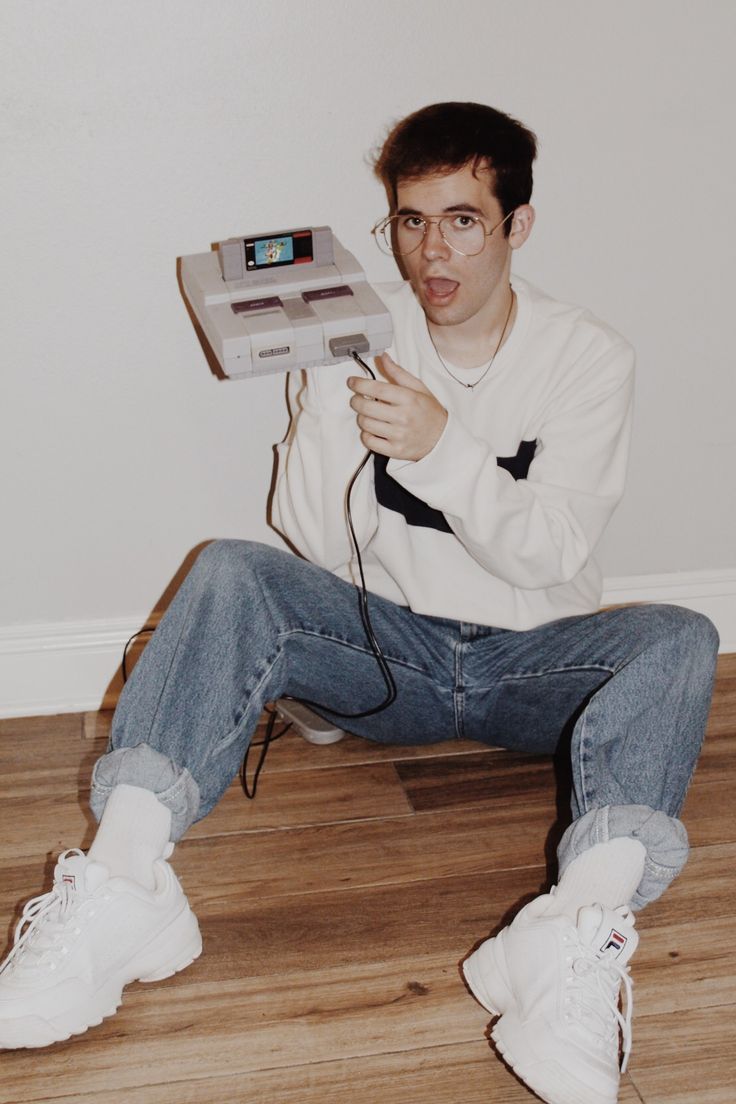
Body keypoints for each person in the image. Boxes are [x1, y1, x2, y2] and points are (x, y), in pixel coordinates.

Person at [0, 102, 719, 1104]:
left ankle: (566, 944)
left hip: (533, 664)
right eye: (410, 221)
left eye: (462, 220)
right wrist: (319, 392)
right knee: (230, 569)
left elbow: (550, 551)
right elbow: (313, 538)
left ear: (516, 225)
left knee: (682, 636)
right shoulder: (360, 329)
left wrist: (443, 451)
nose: (432, 251)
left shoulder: (587, 358)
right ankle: (126, 890)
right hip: (390, 661)